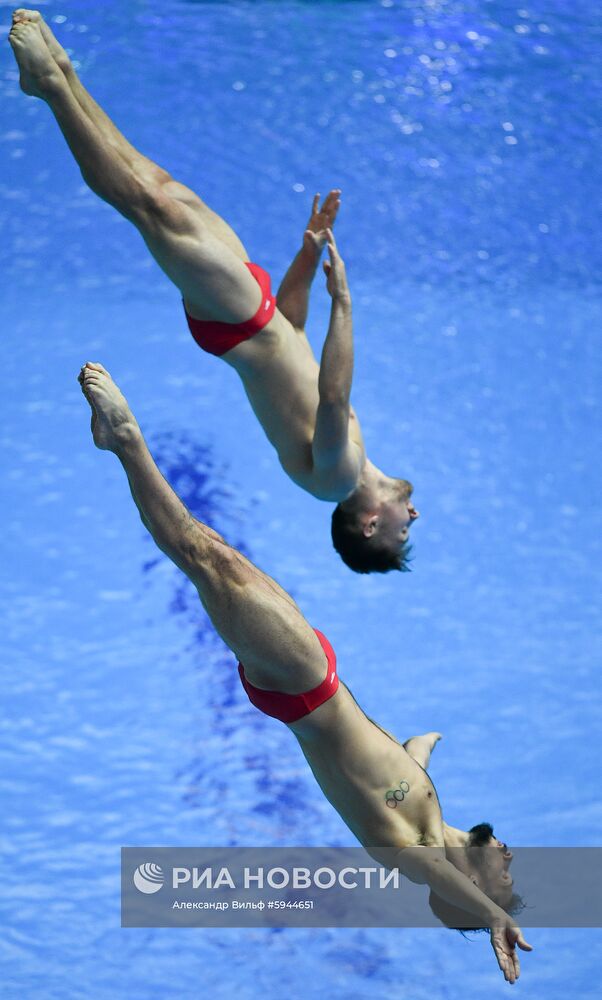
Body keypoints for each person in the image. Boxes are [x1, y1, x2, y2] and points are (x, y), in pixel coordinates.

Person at [76, 358, 532, 983]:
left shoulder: (411, 855)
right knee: (211, 549)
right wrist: (421, 748)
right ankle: (121, 444)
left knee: (199, 553)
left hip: (301, 683)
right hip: (311, 676)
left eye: (502, 880)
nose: (509, 859)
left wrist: (492, 916)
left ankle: (125, 438)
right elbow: (400, 773)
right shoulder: (429, 820)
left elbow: (427, 867)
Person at [8, 10, 420, 574]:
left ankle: (54, 88)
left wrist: (343, 305)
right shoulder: (353, 458)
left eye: (400, 534)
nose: (413, 517)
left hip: (239, 319)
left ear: (369, 525)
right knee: (157, 187)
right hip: (260, 305)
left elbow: (332, 397)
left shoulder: (337, 480)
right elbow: (294, 333)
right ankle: (57, 73)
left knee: (145, 206)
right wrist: (309, 251)